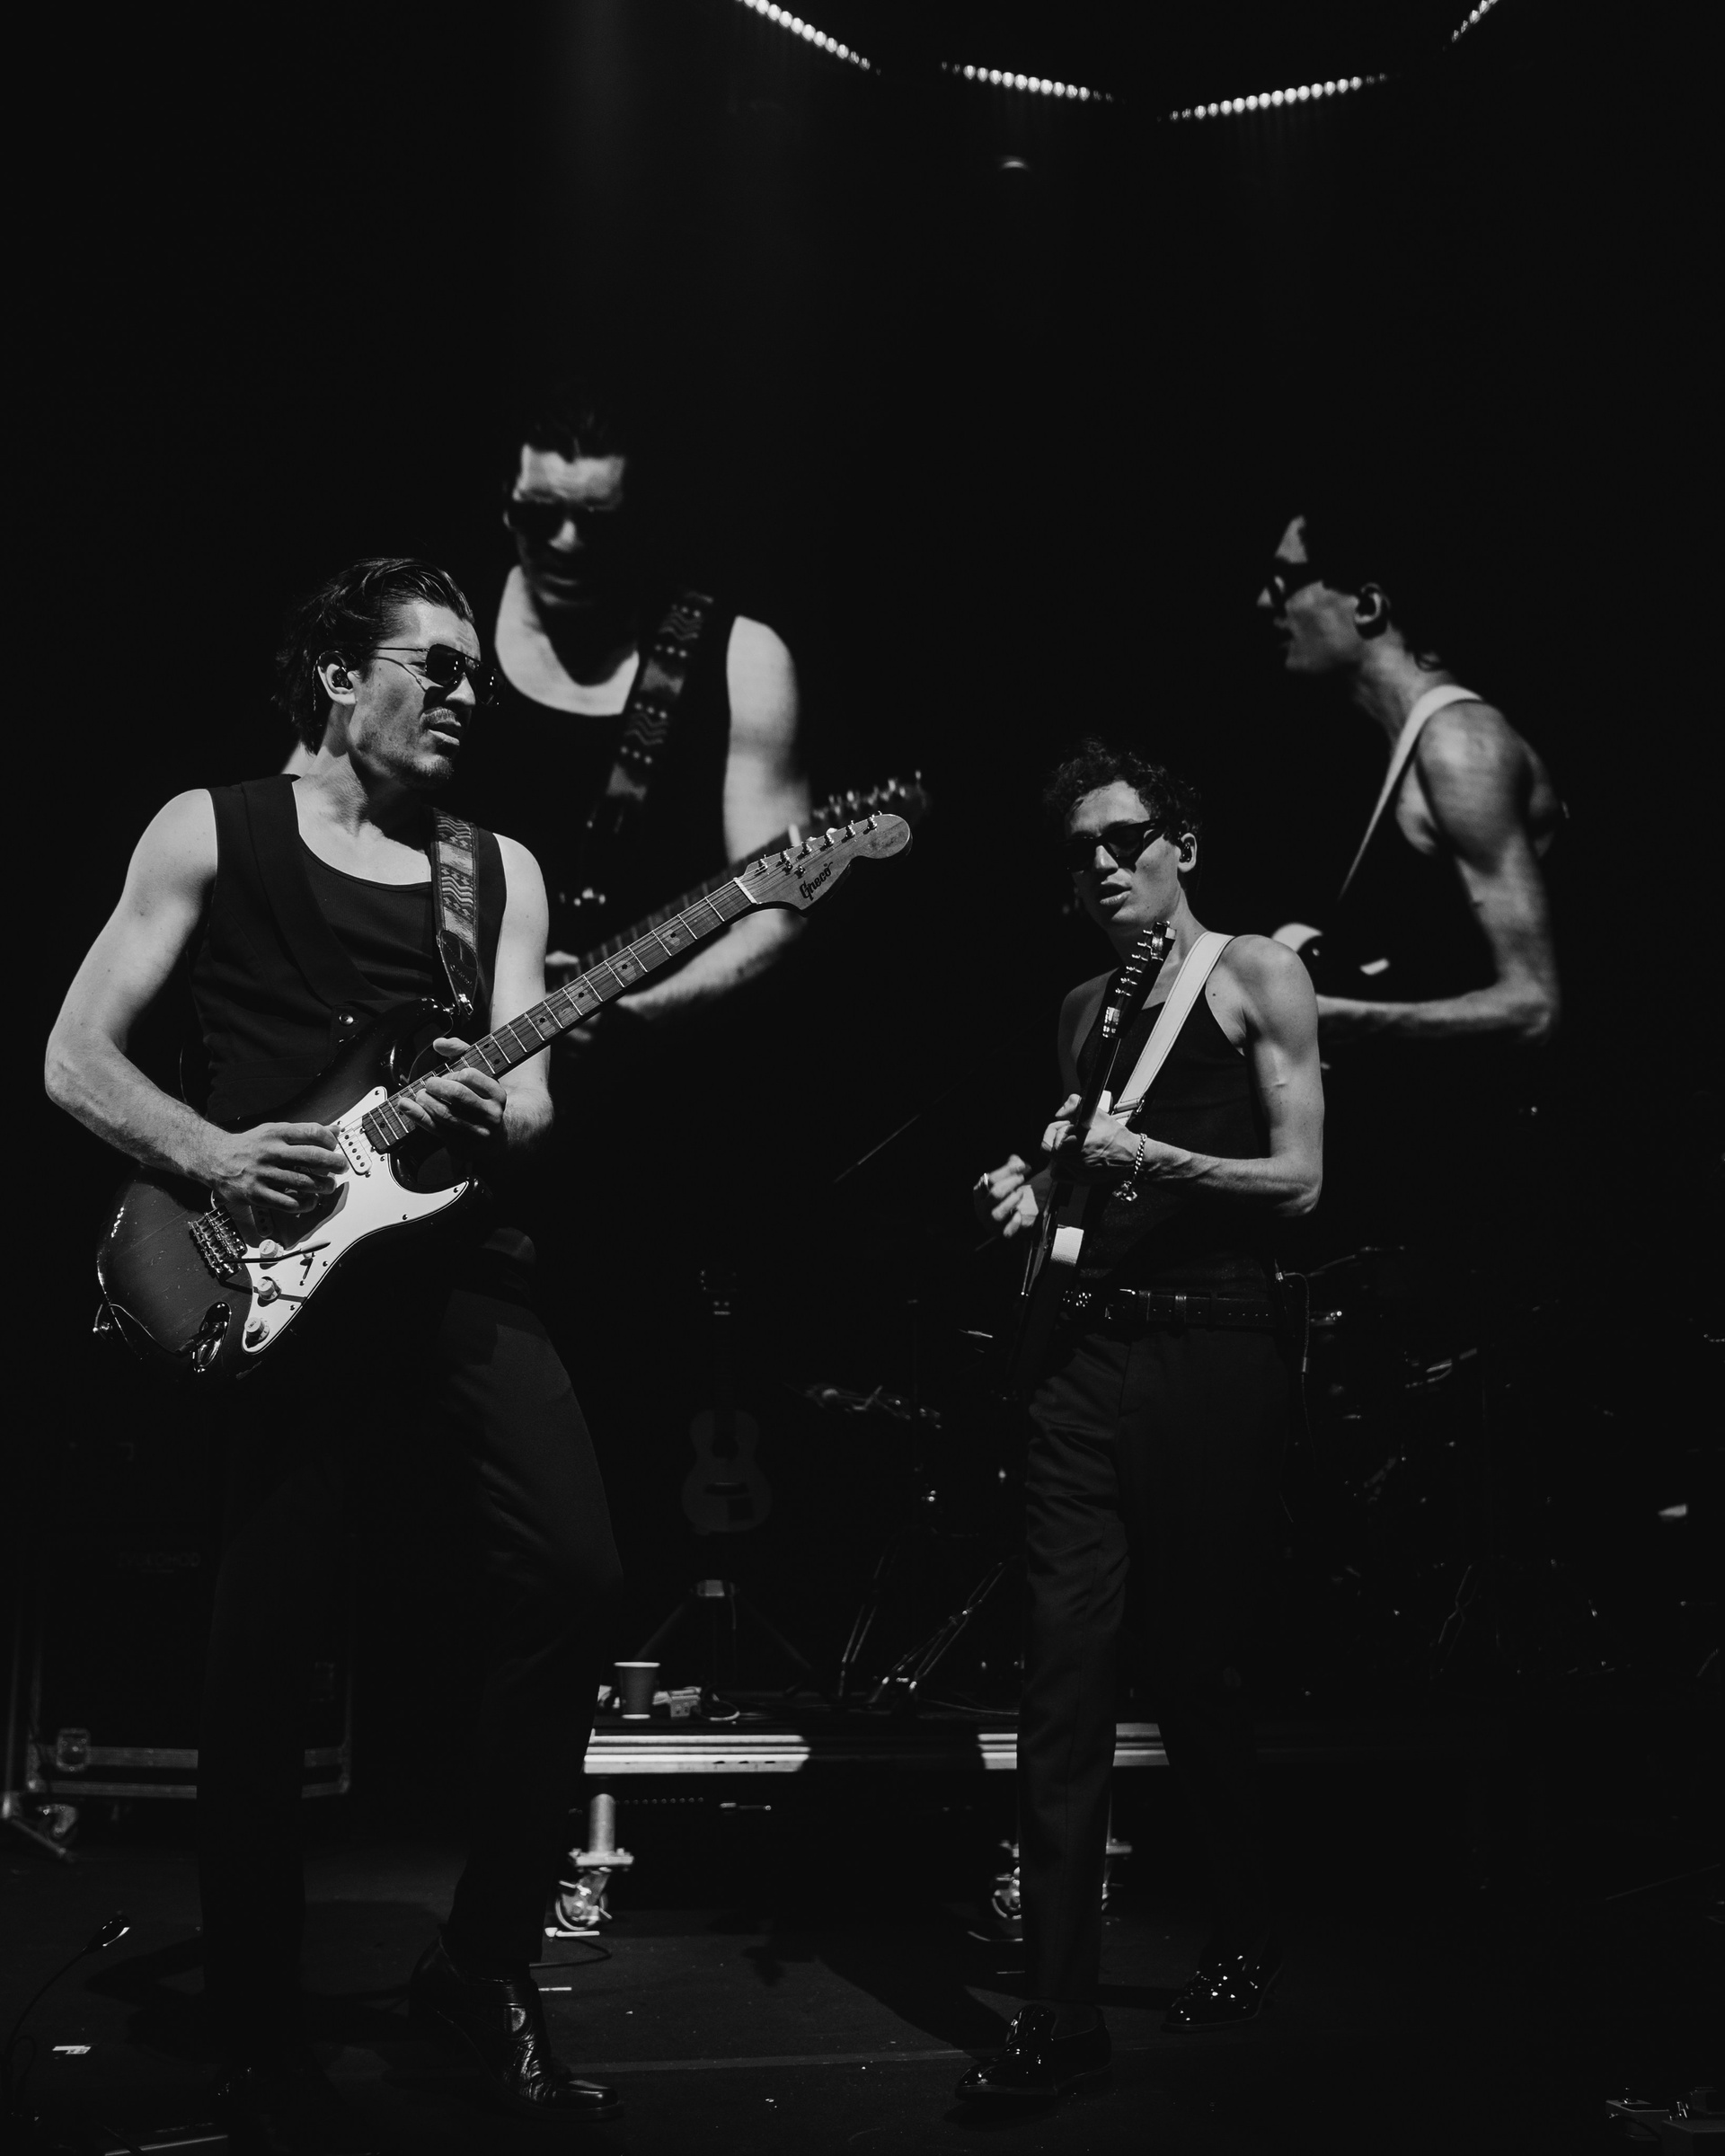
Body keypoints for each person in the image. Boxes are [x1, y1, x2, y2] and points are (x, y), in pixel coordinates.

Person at [47, 559, 624, 2152]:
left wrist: (493, 1103)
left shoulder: (495, 870)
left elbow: (535, 1100)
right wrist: (214, 1154)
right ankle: (255, 2022)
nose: (465, 694)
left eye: (474, 675)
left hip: (460, 1269)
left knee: (578, 1576)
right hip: (278, 1276)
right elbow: (75, 1056)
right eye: (435, 666)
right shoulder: (207, 831)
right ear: (334, 672)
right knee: (263, 1653)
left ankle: (484, 1963)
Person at [965, 746, 1323, 2100]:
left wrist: (1148, 1157)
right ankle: (1057, 2009)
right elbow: (1083, 1185)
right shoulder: (1081, 1011)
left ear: (1183, 844)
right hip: (1083, 1357)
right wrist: (1033, 1194)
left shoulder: (1255, 974)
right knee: (1062, 1676)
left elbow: (1301, 1182)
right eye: (1081, 854)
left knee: (1194, 1669)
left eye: (1126, 840)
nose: (1104, 867)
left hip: (1215, 1348)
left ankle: (1248, 1922)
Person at [1259, 500, 1561, 1261]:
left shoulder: (1459, 745)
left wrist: (1338, 1019)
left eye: (1286, 579)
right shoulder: (1407, 757)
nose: (1265, 601)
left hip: (1520, 1209)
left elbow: (1534, 1006)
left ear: (1367, 604)